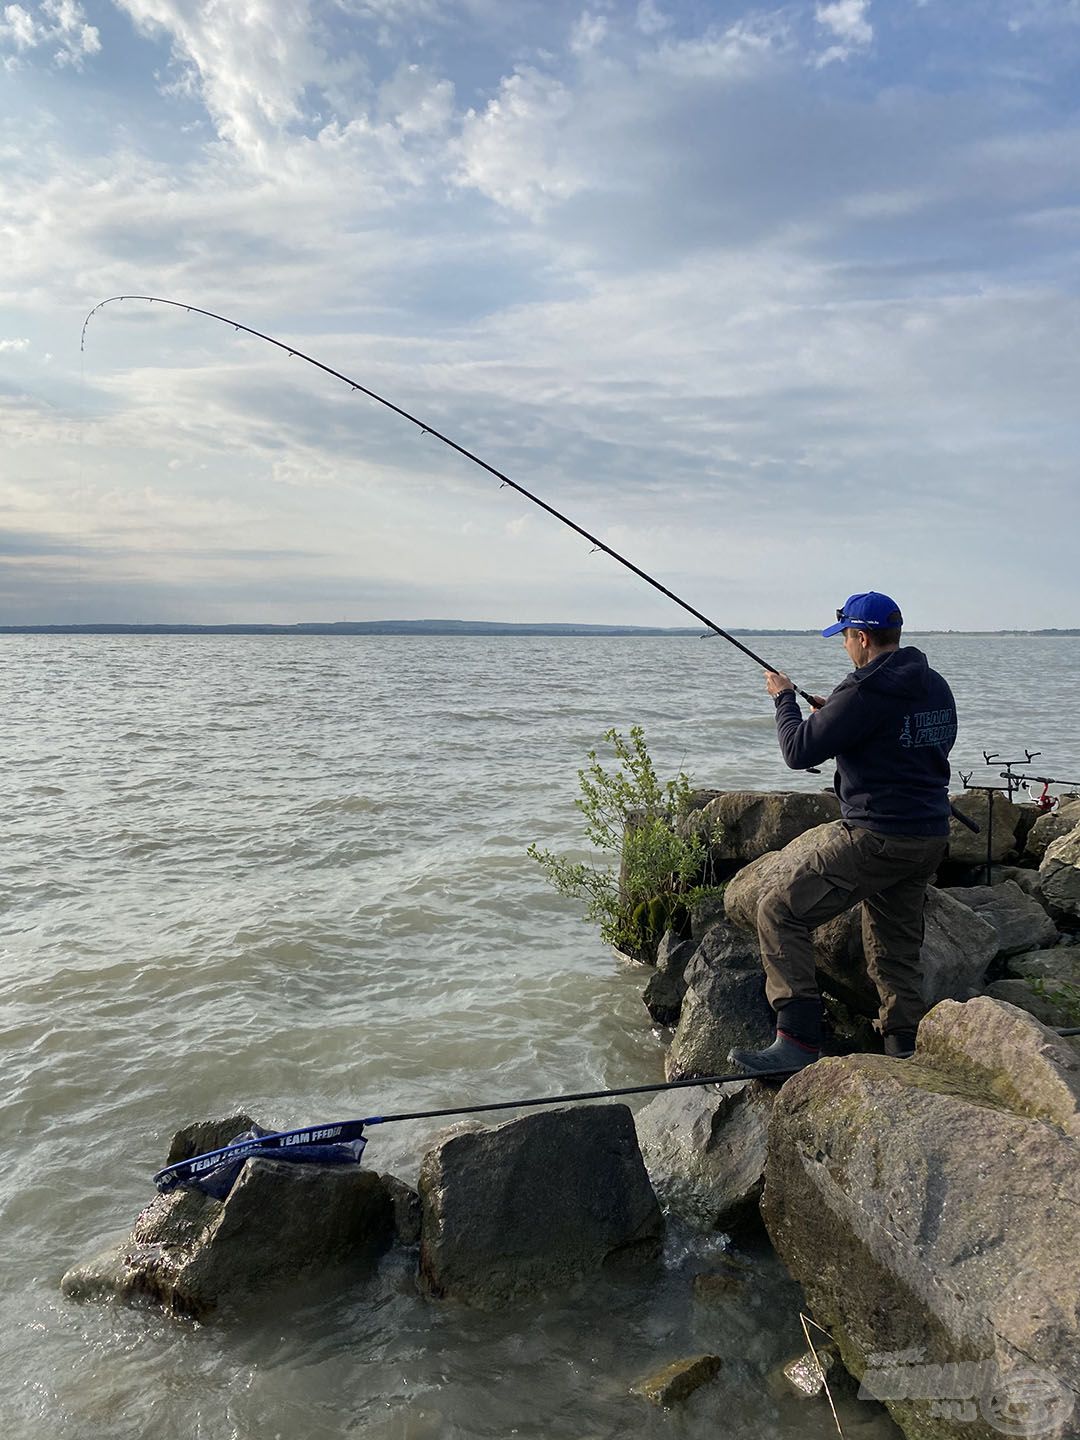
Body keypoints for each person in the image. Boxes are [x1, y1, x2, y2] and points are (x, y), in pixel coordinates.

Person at [729, 592, 957, 1074]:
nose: (846, 649)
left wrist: (783, 699)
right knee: (894, 946)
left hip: (879, 836)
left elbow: (797, 750)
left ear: (863, 637)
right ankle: (904, 1046)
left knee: (779, 909)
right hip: (929, 835)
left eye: (846, 639)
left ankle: (797, 1041)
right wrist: (839, 715)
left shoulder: (863, 692)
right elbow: (913, 743)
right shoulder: (934, 685)